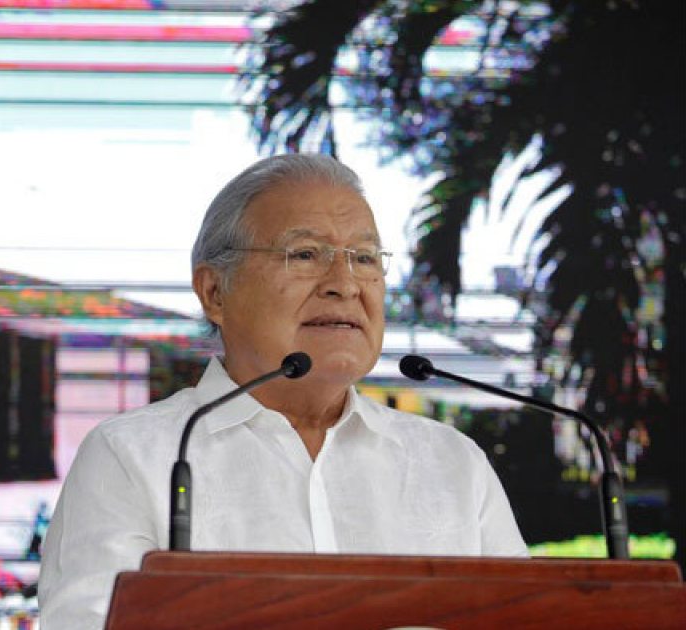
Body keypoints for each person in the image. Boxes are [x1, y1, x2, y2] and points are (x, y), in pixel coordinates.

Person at [37, 154, 528, 630]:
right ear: (214, 293)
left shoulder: (453, 464)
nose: (345, 284)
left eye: (363, 258)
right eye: (306, 255)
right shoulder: (136, 457)